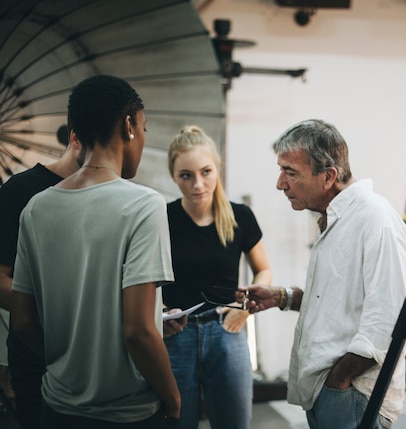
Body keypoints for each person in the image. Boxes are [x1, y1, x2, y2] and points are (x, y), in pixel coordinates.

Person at [11, 74, 181, 428]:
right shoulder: (144, 205)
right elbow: (137, 330)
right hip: (127, 413)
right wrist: (174, 398)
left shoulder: (36, 208)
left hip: (56, 407)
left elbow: (24, 321)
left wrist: (71, 361)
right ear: (129, 125)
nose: (143, 138)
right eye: (145, 129)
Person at [238, 119, 406, 429]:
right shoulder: (336, 219)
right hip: (330, 391)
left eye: (290, 172)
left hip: (355, 395)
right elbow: (337, 301)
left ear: (329, 176)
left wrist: (340, 378)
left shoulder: (375, 220)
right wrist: (283, 297)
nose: (280, 183)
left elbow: (391, 319)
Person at [163, 125, 272, 429]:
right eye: (186, 175)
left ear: (217, 168)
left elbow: (264, 268)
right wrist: (159, 314)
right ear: (173, 175)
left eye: (206, 171)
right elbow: (143, 281)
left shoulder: (240, 216)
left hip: (227, 332)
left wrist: (245, 310)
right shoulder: (162, 218)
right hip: (176, 337)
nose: (198, 184)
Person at [0, 127, 83, 429]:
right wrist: (53, 313)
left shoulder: (111, 195)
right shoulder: (20, 192)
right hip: (37, 359)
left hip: (92, 361)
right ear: (76, 139)